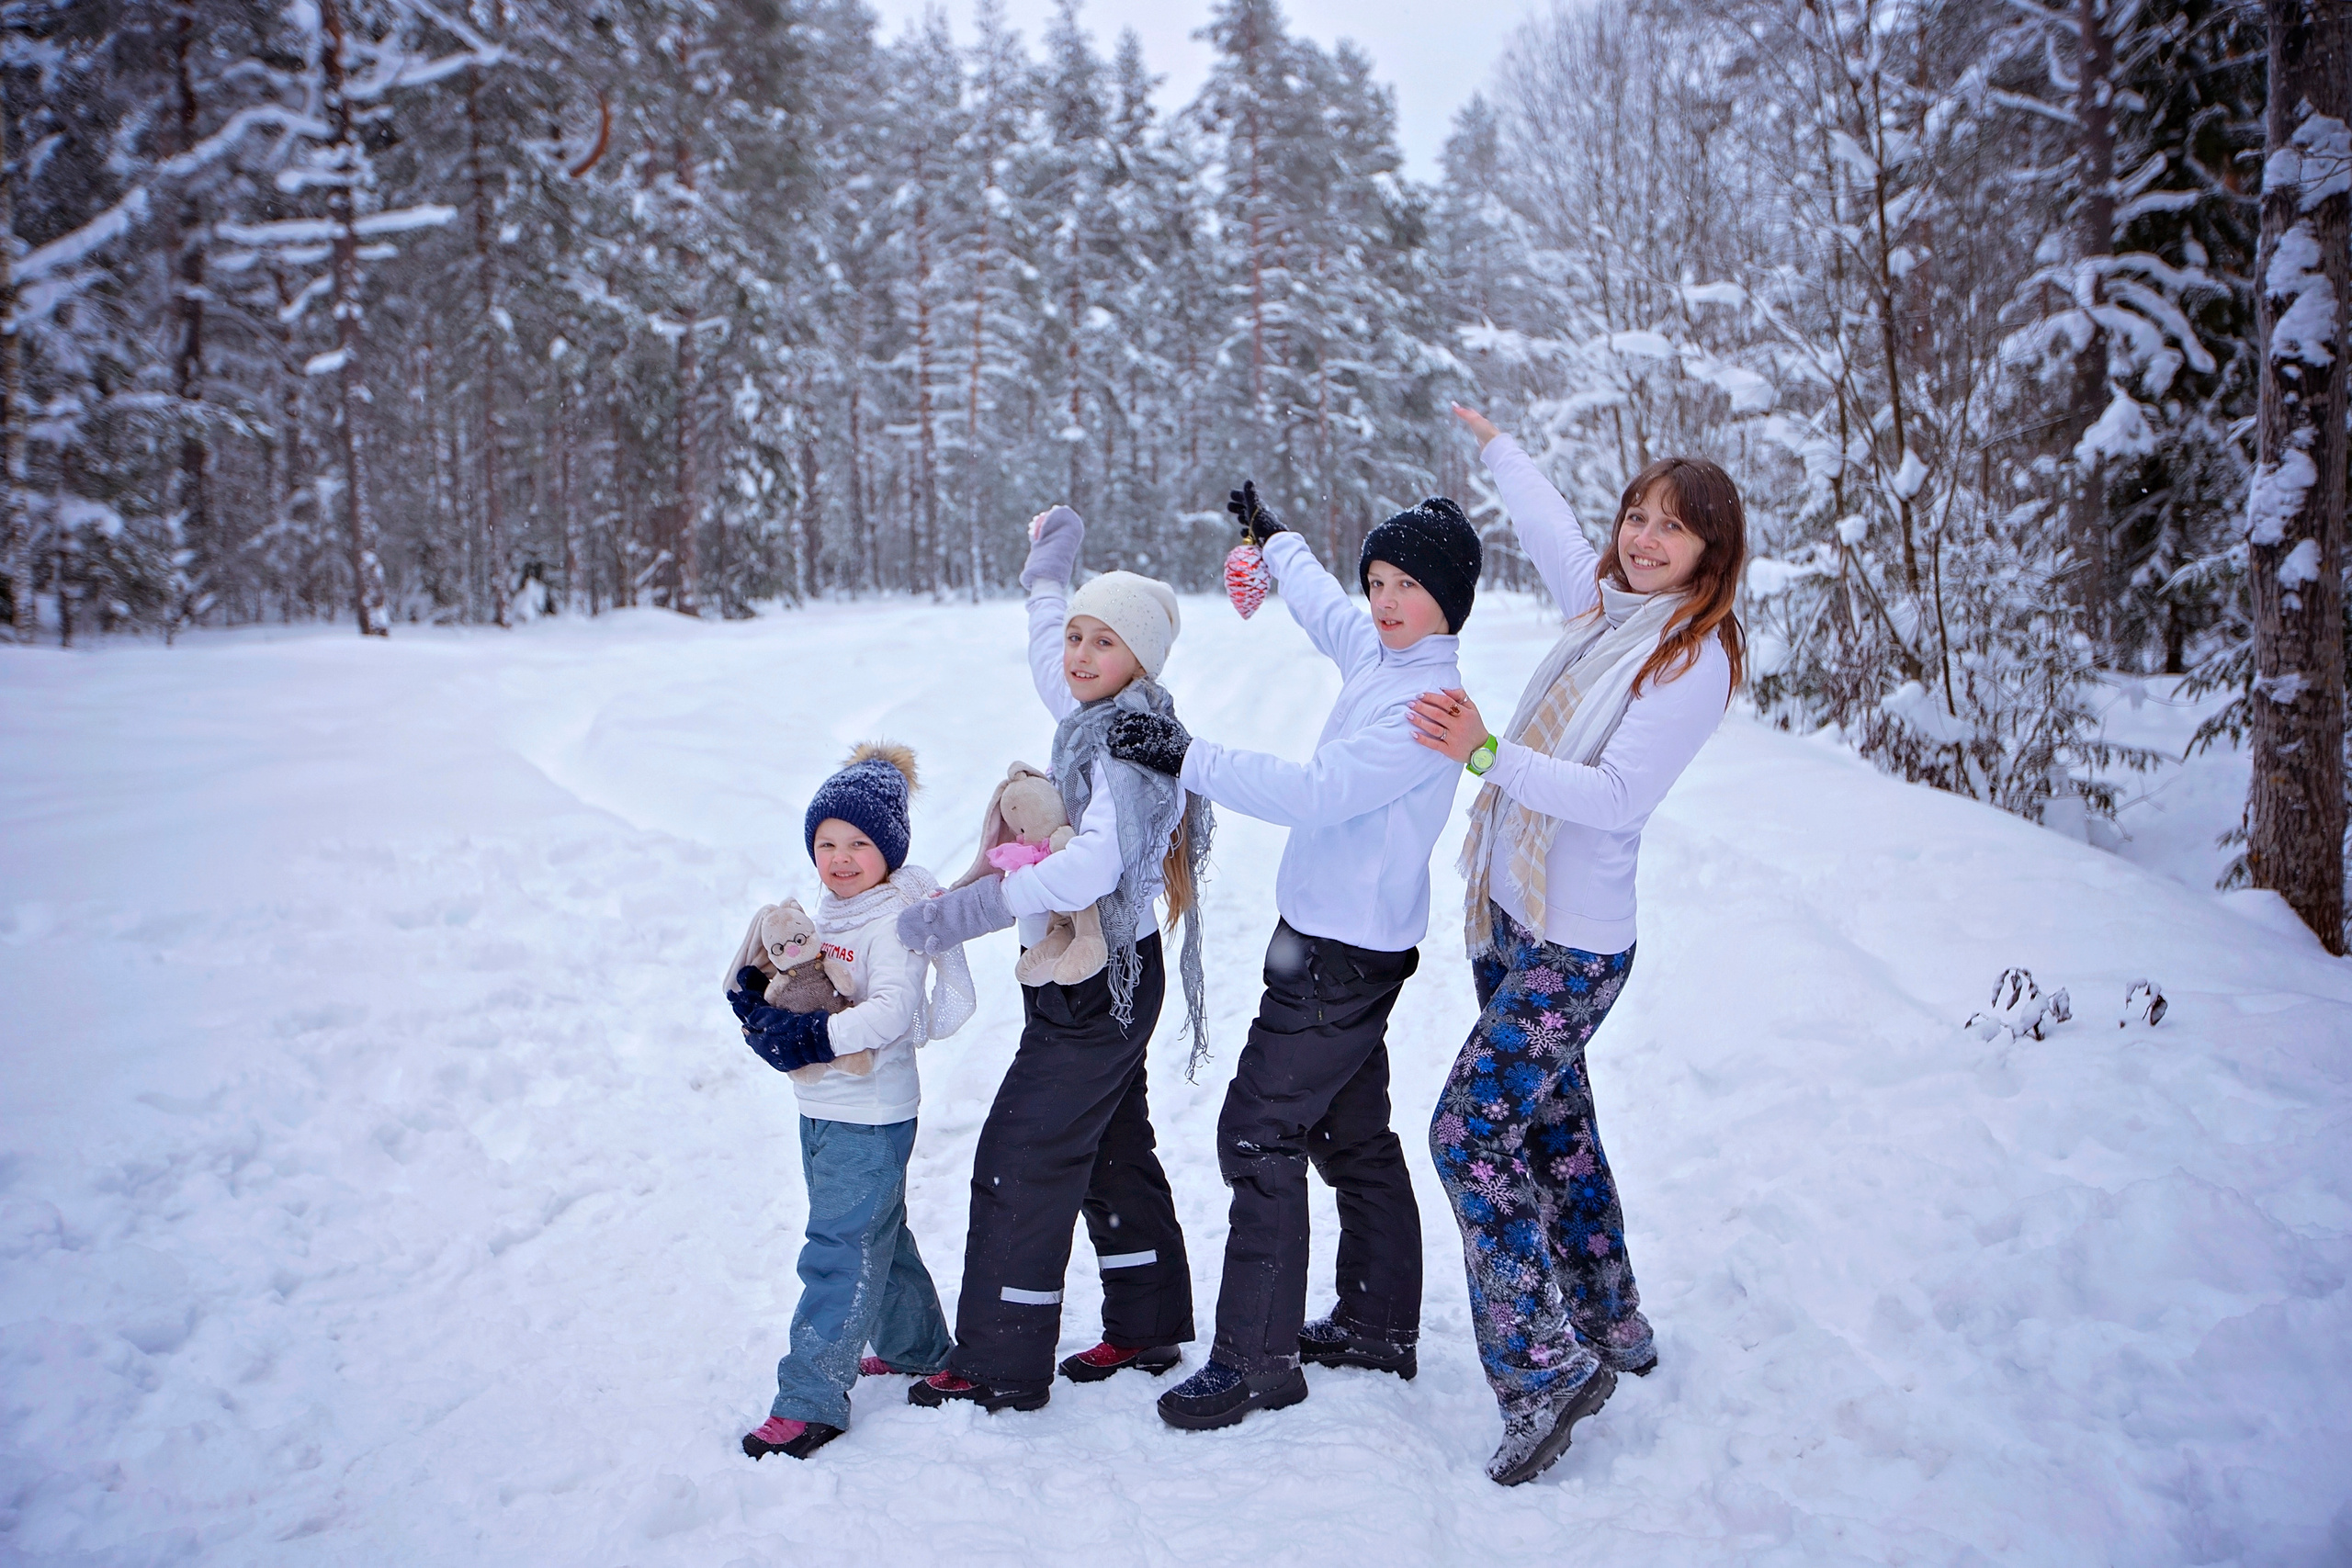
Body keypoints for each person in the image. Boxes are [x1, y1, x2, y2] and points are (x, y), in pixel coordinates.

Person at [1408, 404, 1746, 1486]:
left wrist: (1485, 755)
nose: (1643, 540)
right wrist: (1501, 448)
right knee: (1553, 1133)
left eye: (1671, 530)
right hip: (1511, 918)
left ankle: (1544, 1370)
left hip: (1575, 947)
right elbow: (1561, 540)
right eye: (1636, 518)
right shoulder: (1608, 613)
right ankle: (1614, 1324)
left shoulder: (1690, 658)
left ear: (1711, 554)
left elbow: (1611, 796)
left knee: (1466, 1134)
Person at [1107, 479, 1482, 1432]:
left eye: (1408, 586)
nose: (1386, 601)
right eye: (1380, 580)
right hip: (1347, 946)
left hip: (1336, 961)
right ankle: (1377, 1322)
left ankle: (1254, 1358)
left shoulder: (1426, 703)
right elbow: (1323, 609)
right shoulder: (1386, 655)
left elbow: (1317, 791)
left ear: (1451, 600)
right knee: (1349, 1134)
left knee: (1257, 1133)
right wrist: (1274, 543)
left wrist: (1183, 755)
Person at [895, 504, 1213, 1412]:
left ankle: (1001, 1360)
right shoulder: (1089, 711)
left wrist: (975, 908)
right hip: (1104, 978)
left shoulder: (1128, 743)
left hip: (1097, 987)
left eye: (1099, 642)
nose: (1076, 656)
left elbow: (1094, 863)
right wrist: (1048, 573)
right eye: (1077, 637)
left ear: (1138, 661)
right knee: (1111, 1151)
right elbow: (1046, 649)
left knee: (1020, 1157)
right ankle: (1148, 1324)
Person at [733, 743, 977, 1461]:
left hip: (868, 1113)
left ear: (890, 849)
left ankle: (811, 1398)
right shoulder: (832, 910)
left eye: (858, 843)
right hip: (825, 1110)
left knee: (839, 1248)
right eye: (826, 842)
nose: (839, 858)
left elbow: (893, 1010)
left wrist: (811, 1036)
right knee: (879, 1234)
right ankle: (920, 1347)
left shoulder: (890, 920)